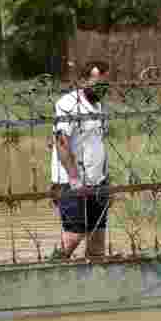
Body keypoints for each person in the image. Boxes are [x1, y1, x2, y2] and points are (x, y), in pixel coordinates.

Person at [50, 61, 111, 260]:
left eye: (105, 85)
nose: (102, 89)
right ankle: (50, 270)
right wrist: (75, 180)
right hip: (72, 183)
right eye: (98, 85)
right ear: (84, 81)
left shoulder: (100, 106)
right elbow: (62, 143)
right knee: (73, 237)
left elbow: (99, 145)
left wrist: (106, 181)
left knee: (97, 242)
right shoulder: (67, 104)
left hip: (97, 184)